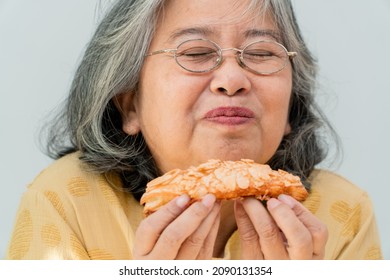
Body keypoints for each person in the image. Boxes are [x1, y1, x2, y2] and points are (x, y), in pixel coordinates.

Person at [6, 0, 382, 260]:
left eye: (262, 53)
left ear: (290, 107)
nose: (233, 79)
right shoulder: (65, 202)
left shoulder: (343, 212)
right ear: (130, 103)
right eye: (196, 53)